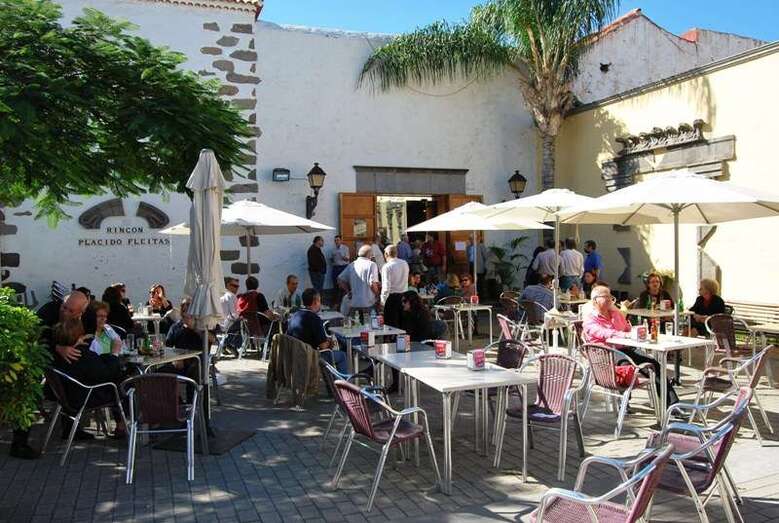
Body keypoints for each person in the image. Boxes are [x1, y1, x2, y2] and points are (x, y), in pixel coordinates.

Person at [10, 291, 95, 459]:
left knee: (73, 384)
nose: (65, 312)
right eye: (64, 307)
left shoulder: (88, 317)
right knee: (29, 391)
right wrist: (57, 347)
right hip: (40, 356)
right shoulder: (48, 311)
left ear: (81, 312)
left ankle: (70, 429)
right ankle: (19, 443)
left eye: (71, 311)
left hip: (70, 357)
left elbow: (88, 337)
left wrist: (78, 345)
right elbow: (33, 335)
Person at [583, 283, 678, 405]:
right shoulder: (590, 319)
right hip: (606, 355)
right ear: (595, 300)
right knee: (627, 364)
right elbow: (604, 333)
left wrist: (637, 332)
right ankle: (624, 402)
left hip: (625, 349)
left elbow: (628, 328)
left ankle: (672, 405)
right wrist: (626, 335)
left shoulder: (615, 314)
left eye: (610, 296)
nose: (610, 299)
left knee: (654, 364)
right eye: (605, 296)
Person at [287, 289, 348, 374]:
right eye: (320, 301)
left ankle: (332, 382)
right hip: (311, 356)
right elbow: (323, 346)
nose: (320, 304)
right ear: (315, 302)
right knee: (342, 356)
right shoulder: (315, 318)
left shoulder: (294, 315)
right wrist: (330, 342)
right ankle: (340, 385)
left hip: (294, 354)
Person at [338, 244, 380, 319]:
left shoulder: (352, 265)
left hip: (354, 303)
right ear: (369, 254)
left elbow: (340, 279)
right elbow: (372, 283)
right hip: (368, 303)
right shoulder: (371, 265)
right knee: (370, 328)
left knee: (356, 328)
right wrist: (377, 295)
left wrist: (348, 291)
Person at [380, 245, 409, 327]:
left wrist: (383, 301)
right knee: (402, 323)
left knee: (391, 324)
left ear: (386, 254)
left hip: (392, 297)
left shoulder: (387, 266)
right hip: (404, 295)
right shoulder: (404, 263)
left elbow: (386, 286)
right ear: (397, 253)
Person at [330, 236, 350, 304]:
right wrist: (332, 259)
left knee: (343, 285)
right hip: (335, 267)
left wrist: (341, 256)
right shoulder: (333, 249)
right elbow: (332, 259)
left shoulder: (345, 248)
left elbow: (347, 259)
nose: (336, 242)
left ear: (341, 241)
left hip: (343, 267)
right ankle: (336, 302)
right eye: (335, 240)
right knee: (335, 284)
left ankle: (343, 301)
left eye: (338, 240)